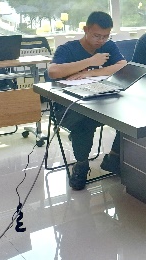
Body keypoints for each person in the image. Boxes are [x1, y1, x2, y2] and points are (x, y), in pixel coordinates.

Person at [48, 11, 127, 190]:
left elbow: (122, 66)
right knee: (84, 122)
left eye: (105, 36)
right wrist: (90, 61)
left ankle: (114, 157)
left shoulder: (108, 46)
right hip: (69, 107)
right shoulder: (68, 49)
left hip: (100, 102)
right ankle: (82, 164)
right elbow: (53, 72)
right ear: (86, 29)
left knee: (127, 115)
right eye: (97, 36)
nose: (101, 40)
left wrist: (90, 73)